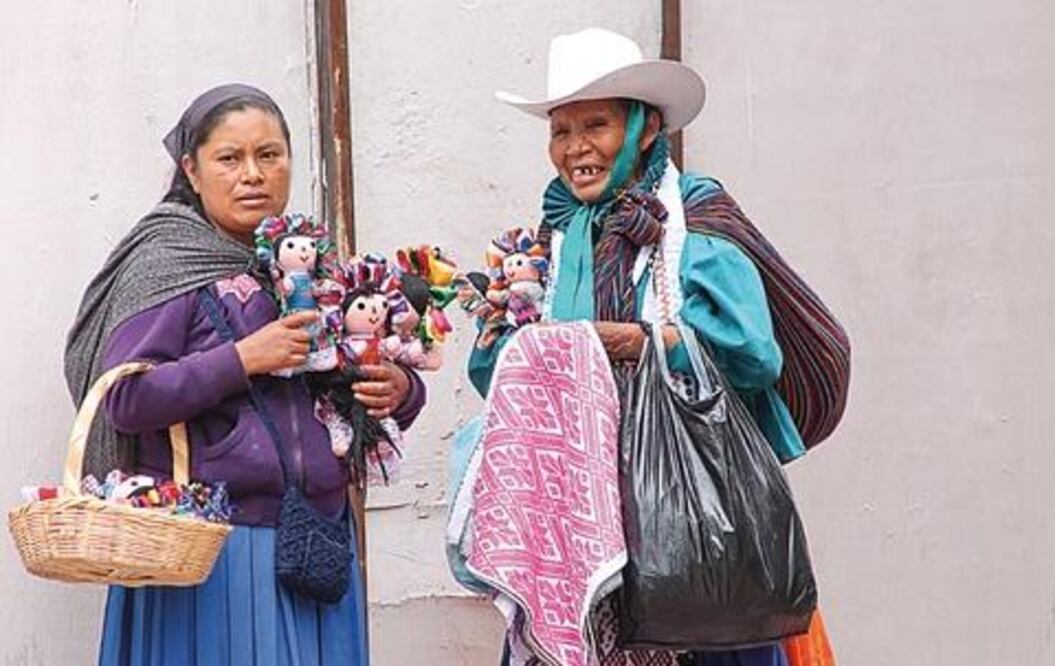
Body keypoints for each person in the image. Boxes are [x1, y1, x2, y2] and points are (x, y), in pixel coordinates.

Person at [470, 28, 828, 666]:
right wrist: (509, 341)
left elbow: (753, 354)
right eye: (561, 129)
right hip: (581, 523)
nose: (575, 148)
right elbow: (499, 382)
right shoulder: (555, 239)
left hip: (684, 521)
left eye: (597, 125)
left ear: (646, 127)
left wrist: (635, 343)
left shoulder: (696, 222)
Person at [63, 83, 426, 665]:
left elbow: (359, 377)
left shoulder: (311, 266)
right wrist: (243, 359)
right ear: (192, 168)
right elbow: (126, 399)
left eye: (270, 155)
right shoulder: (169, 266)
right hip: (217, 552)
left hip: (316, 541)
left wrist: (401, 391)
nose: (252, 174)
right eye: (229, 159)